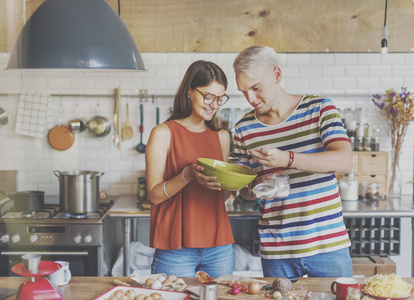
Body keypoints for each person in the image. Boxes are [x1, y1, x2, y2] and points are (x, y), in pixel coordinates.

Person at [232, 45, 353, 280]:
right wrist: (257, 185)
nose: (251, 99)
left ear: (277, 75)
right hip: (277, 251)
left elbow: (344, 161)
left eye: (256, 88)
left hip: (328, 246)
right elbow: (244, 192)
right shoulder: (244, 128)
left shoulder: (319, 108)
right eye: (244, 91)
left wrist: (287, 159)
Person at [145, 60, 234, 277]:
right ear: (188, 91)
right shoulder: (163, 133)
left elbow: (220, 196)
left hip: (219, 246)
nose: (214, 104)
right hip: (176, 247)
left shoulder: (222, 137)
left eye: (220, 98)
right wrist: (187, 175)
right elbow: (154, 196)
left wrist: (236, 180)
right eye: (208, 96)